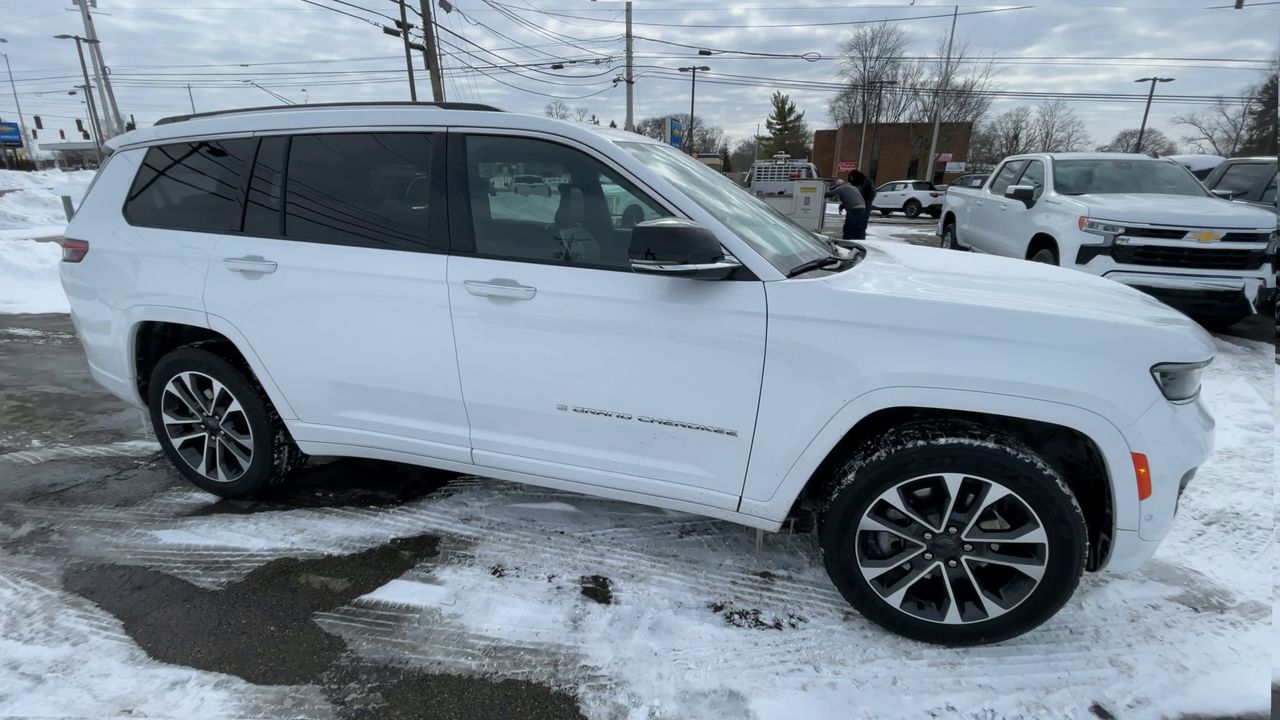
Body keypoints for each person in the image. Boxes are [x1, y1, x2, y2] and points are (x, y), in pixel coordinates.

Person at [827, 173, 867, 240]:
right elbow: (853, 198)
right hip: (862, 209)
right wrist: (842, 206)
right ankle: (860, 242)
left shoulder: (841, 188)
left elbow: (830, 194)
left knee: (848, 228)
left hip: (854, 210)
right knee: (859, 228)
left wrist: (818, 193)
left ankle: (847, 243)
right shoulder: (853, 187)